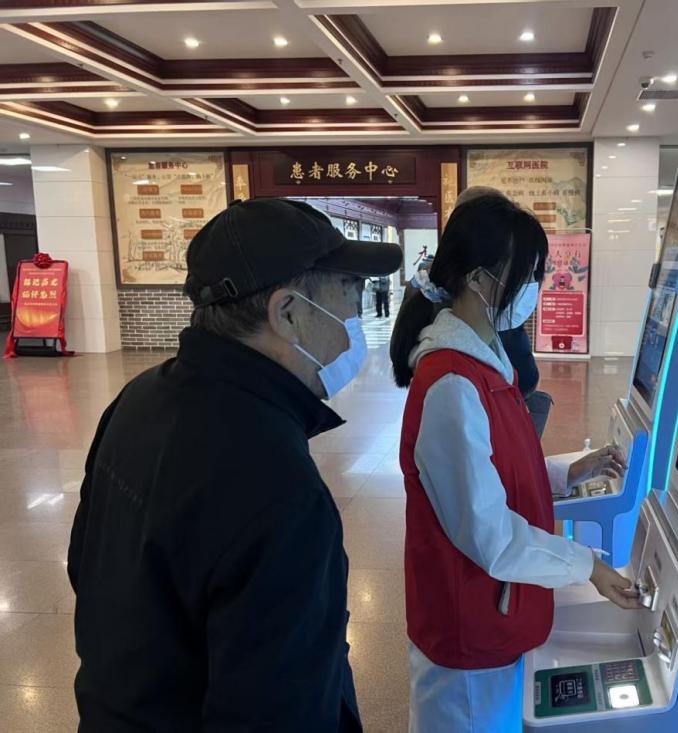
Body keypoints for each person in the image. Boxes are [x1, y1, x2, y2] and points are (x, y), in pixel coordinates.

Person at [68, 198, 402, 732]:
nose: (352, 322)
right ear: (287, 313)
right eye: (348, 295)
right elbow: (280, 713)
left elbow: (86, 563)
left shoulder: (140, 397)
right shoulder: (280, 487)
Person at [390, 195, 641, 731]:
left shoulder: (485, 361)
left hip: (492, 616)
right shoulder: (452, 384)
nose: (535, 289)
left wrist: (569, 472)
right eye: (527, 275)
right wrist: (587, 567)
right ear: (479, 280)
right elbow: (491, 535)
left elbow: (493, 473)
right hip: (468, 638)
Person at [453, 186, 553, 437]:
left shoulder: (490, 314)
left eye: (534, 274)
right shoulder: (454, 375)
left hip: (512, 401)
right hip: (496, 407)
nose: (530, 285)